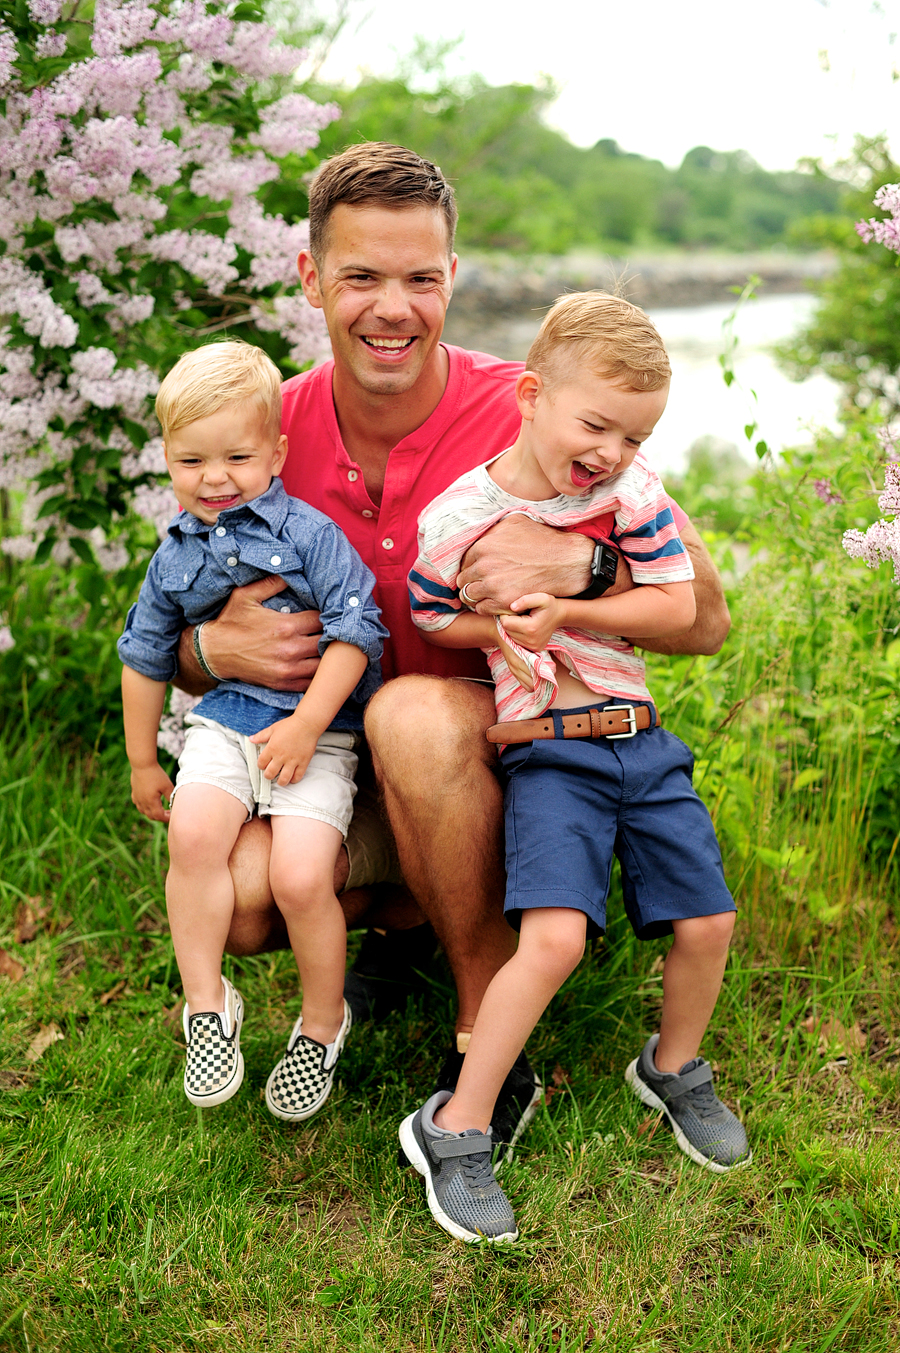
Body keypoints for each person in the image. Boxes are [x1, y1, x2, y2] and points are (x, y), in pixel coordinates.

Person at [172, 144, 733, 1152]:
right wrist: (213, 652)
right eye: (362, 278)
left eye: (420, 279)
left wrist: (586, 576)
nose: (394, 307)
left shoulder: (535, 414)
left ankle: (484, 1030)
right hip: (332, 770)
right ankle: (406, 921)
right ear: (310, 278)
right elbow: (166, 633)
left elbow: (705, 621)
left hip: (498, 756)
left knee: (414, 713)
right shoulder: (264, 432)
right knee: (247, 904)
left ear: (452, 280)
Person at [399, 292, 750, 1243]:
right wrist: (501, 632)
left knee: (708, 918)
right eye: (596, 424)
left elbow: (679, 613)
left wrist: (570, 610)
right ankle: (457, 1125)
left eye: (634, 436)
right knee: (551, 940)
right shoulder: (462, 515)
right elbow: (432, 610)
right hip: (554, 753)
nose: (612, 452)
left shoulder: (630, 501)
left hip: (640, 736)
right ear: (529, 395)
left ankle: (671, 1068)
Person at [118, 341, 386, 1118]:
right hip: (224, 722)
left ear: (276, 451)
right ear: (167, 457)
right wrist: (143, 760)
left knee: (303, 876)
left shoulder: (308, 535)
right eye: (190, 458)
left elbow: (355, 631)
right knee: (194, 836)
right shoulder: (171, 558)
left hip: (318, 731)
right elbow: (143, 655)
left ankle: (321, 1023)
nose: (213, 477)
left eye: (236, 455)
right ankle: (208, 1006)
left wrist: (307, 722)